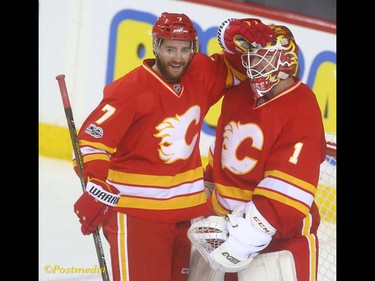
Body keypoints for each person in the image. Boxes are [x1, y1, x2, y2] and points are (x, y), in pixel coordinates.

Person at [71, 12, 274, 281]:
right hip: (137, 216)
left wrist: (235, 39)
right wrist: (96, 184)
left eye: (183, 49)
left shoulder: (200, 73)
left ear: (193, 49)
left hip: (184, 216)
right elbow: (91, 142)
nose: (177, 58)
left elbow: (239, 70)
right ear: (155, 46)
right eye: (169, 49)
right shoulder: (129, 90)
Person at [188, 21, 326, 281]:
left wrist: (247, 235)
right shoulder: (237, 95)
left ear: (285, 60)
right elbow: (221, 155)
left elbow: (289, 188)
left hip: (277, 240)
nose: (252, 66)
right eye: (250, 57)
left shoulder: (301, 104)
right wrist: (204, 199)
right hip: (223, 230)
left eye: (262, 58)